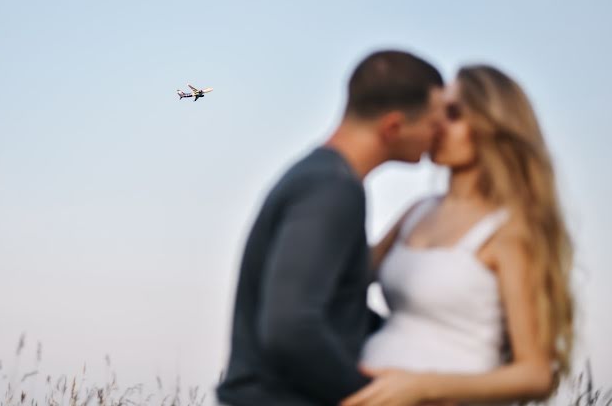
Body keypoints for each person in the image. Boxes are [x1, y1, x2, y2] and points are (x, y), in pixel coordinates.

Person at [216, 49, 445, 406]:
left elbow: (332, 310)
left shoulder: (320, 179)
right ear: (393, 127)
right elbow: (290, 327)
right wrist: (373, 398)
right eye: (432, 123)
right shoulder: (332, 190)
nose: (438, 134)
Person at [356, 65, 575, 406]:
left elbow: (535, 373)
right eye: (437, 112)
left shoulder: (509, 231)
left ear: (492, 127)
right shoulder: (417, 211)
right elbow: (347, 277)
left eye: (454, 114)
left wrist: (422, 387)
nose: (437, 124)